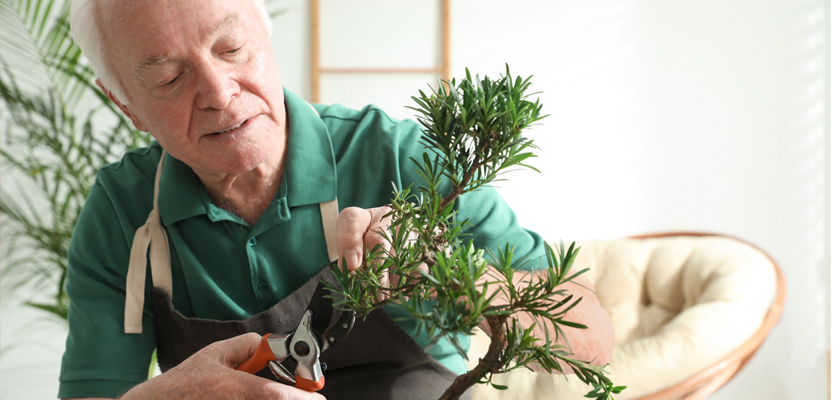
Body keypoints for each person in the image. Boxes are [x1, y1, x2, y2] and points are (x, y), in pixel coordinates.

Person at [58, 0, 614, 399]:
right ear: (126, 103)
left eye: (233, 48)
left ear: (265, 29)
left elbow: (594, 340)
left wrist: (445, 267)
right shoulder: (122, 217)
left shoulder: (399, 159)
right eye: (171, 78)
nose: (220, 94)